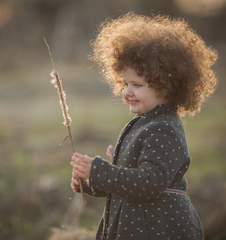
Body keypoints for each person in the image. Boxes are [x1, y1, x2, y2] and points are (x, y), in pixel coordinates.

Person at [70, 12, 217, 240]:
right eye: (125, 83)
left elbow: (149, 184)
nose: (127, 92)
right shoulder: (144, 123)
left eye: (137, 84)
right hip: (137, 226)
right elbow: (127, 184)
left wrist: (99, 169)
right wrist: (89, 182)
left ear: (166, 85)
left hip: (160, 229)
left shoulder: (163, 128)